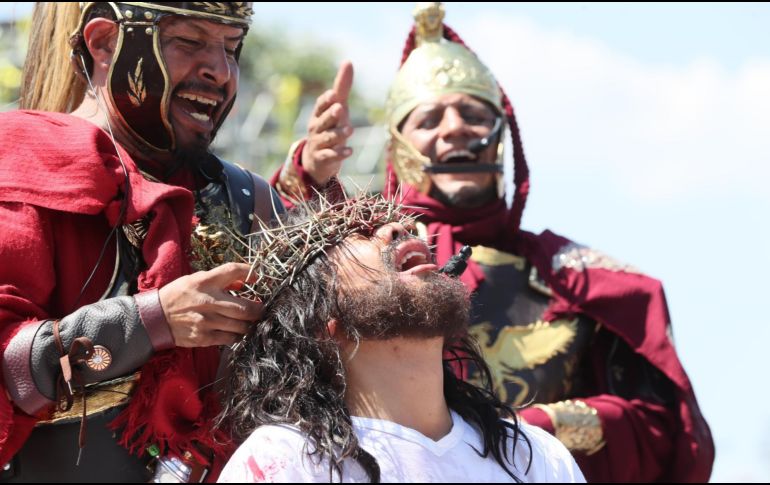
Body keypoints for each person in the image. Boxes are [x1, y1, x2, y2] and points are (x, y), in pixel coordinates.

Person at [270, 2, 714, 482]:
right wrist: (307, 176)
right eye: (430, 118)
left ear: (504, 135)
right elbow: (279, 283)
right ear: (399, 145)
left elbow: (662, 430)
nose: (455, 127)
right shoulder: (368, 259)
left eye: (473, 113)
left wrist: (526, 432)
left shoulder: (577, 278)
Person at [0, 2, 284, 481]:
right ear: (105, 42)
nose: (219, 70)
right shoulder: (21, 162)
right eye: (190, 42)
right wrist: (150, 320)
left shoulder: (248, 198)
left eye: (231, 48)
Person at [217, 194, 585, 483]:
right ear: (320, 321)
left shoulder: (533, 458)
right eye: (357, 232)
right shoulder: (284, 461)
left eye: (396, 222)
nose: (400, 227)